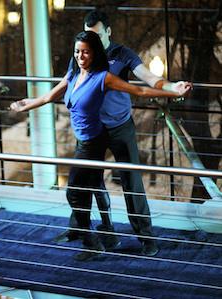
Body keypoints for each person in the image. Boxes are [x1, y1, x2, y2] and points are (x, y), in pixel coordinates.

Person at [10, 31, 191, 261]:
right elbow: (48, 97)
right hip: (83, 141)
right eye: (77, 51)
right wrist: (24, 105)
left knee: (76, 192)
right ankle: (97, 238)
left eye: (85, 51)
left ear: (95, 52)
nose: (80, 56)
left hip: (93, 142)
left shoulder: (103, 76)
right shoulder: (74, 73)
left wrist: (173, 91)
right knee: (82, 192)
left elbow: (140, 90)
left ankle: (105, 241)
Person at [55, 10, 193, 257]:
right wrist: (36, 100)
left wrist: (173, 87)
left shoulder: (122, 54)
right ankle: (91, 232)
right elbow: (67, 82)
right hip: (92, 129)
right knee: (88, 182)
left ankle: (146, 238)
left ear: (108, 32)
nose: (91, 41)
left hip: (120, 127)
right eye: (88, 36)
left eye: (96, 35)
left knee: (132, 182)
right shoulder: (83, 53)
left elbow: (149, 79)